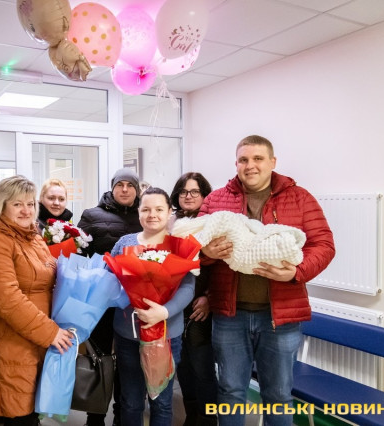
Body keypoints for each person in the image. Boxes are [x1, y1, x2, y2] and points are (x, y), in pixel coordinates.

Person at [198, 135, 335, 426]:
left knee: (278, 395)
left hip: (280, 317)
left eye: (258, 159)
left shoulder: (300, 198)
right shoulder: (216, 199)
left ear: (273, 162)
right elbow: (193, 246)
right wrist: (205, 253)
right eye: (243, 160)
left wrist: (296, 272)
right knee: (230, 391)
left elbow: (324, 245)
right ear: (236, 164)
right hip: (229, 315)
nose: (250, 165)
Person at [0, 175, 74, 426]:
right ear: (1, 205)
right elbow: (8, 299)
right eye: (17, 204)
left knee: (30, 415)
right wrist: (50, 332)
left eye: (30, 204)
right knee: (18, 415)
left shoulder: (33, 237)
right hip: (10, 342)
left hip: (35, 340)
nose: (26, 210)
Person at [111, 187, 195, 426]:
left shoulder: (180, 246)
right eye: (146, 209)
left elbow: (188, 288)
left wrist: (163, 312)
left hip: (167, 335)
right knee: (131, 401)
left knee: (162, 402)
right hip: (128, 335)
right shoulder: (124, 243)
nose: (152, 215)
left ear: (169, 212)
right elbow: (109, 279)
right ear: (138, 212)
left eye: (159, 209)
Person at [77, 168, 143, 426]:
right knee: (100, 359)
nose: (124, 189)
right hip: (101, 302)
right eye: (120, 184)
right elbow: (79, 254)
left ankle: (122, 416)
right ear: (112, 187)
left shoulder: (144, 216)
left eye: (130, 185)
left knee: (128, 362)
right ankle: (95, 416)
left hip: (133, 303)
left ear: (137, 189)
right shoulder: (92, 215)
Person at [169, 173, 218, 426]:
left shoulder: (213, 224)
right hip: (176, 306)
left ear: (205, 195)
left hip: (201, 307)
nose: (188, 196)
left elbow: (224, 268)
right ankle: (191, 416)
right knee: (183, 367)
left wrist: (209, 297)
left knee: (202, 368)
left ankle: (207, 419)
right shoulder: (170, 223)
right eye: (183, 191)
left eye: (195, 192)